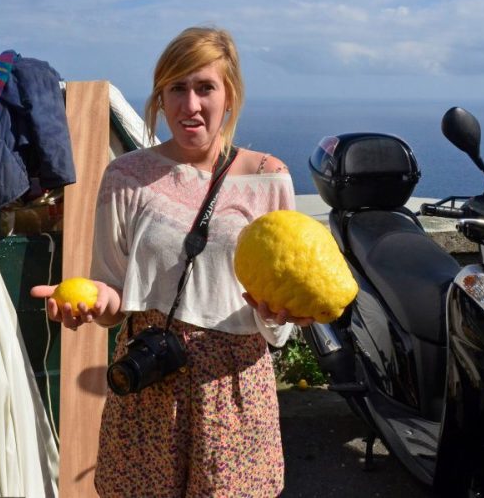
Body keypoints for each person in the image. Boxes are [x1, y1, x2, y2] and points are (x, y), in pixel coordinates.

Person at [30, 26, 313, 497]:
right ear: (160, 96)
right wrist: (95, 301)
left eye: (205, 87)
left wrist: (279, 314)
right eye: (176, 88)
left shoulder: (269, 178)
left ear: (230, 94)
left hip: (234, 386)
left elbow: (282, 306)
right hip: (149, 376)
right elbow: (114, 295)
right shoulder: (126, 176)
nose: (190, 105)